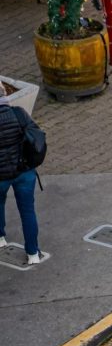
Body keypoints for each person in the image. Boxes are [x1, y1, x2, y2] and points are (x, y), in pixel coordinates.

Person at [0, 98, 42, 265]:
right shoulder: (18, 113)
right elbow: (35, 136)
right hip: (23, 172)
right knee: (27, 212)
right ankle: (33, 254)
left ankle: (0, 237)